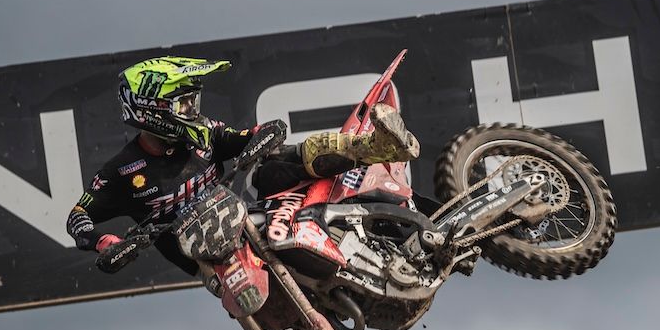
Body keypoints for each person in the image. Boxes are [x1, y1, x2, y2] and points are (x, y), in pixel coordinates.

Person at [66, 56, 420, 274]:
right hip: (208, 258)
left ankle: (372, 146)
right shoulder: (122, 172)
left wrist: (263, 132)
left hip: (252, 212)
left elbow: (241, 138)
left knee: (274, 162)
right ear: (153, 111)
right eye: (183, 105)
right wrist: (105, 243)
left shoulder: (203, 132)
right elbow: (78, 217)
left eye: (192, 102)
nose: (192, 111)